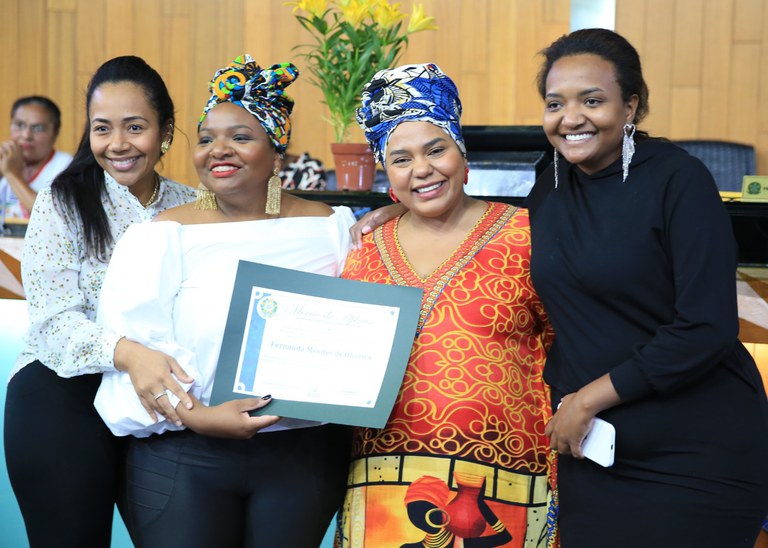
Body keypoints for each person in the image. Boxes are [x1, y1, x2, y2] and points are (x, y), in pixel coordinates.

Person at [94, 54, 355, 547]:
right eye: (207, 138)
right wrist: (199, 415)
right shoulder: (159, 236)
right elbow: (136, 358)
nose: (218, 150)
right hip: (184, 453)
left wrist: (393, 218)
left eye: (240, 137)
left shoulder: (330, 228)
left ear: (277, 152)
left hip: (302, 454)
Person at [525, 28, 768, 546]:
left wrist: (585, 401)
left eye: (592, 101)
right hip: (597, 455)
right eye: (555, 103)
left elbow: (706, 328)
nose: (570, 118)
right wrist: (401, 214)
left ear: (630, 105)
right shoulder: (550, 185)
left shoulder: (680, 180)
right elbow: (491, 233)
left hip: (695, 454)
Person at [336, 63, 554, 547]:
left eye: (436, 150)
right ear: (387, 173)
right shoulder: (363, 249)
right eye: (401, 159)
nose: (422, 169)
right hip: (381, 484)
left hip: (508, 484)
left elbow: (569, 345)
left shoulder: (529, 235)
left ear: (461, 151)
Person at [3, 56, 197, 547]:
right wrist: (130, 354)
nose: (117, 144)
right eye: (102, 128)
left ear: (165, 130)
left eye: (135, 127)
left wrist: (364, 220)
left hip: (159, 401)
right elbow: (52, 323)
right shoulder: (62, 200)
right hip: (61, 394)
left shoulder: (194, 206)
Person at [0, 96, 72, 221]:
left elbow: (50, 218)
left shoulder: (67, 166)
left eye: (37, 128)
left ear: (55, 133)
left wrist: (12, 174)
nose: (26, 135)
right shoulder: (5, 160)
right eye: (20, 125)